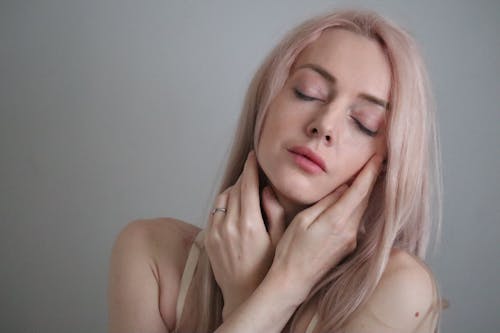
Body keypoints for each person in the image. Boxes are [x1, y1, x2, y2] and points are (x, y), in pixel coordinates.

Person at [108, 9, 444, 333]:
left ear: (386, 164)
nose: (325, 125)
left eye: (364, 123)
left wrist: (251, 297)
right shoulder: (150, 254)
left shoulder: (400, 290)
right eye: (307, 92)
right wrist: (282, 288)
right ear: (266, 101)